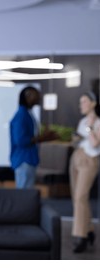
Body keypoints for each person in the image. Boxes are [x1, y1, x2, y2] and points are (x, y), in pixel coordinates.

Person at [69, 91, 100, 253]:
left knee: (81, 196)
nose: (81, 105)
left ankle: (80, 236)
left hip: (90, 160)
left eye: (84, 101)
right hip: (77, 157)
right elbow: (81, 140)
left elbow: (95, 144)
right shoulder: (81, 121)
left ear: (93, 103)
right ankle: (89, 231)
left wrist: (90, 126)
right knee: (77, 197)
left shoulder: (98, 122)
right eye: (80, 102)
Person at [9, 86, 58, 189]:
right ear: (28, 96)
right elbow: (20, 140)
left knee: (27, 192)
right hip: (24, 159)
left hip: (29, 158)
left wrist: (44, 137)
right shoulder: (22, 115)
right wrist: (43, 138)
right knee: (24, 194)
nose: (39, 97)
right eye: (36, 94)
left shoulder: (28, 113)